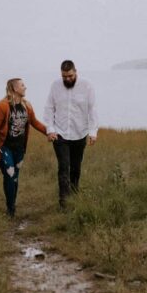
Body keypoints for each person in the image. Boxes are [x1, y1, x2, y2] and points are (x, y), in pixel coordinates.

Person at [0, 78, 48, 218]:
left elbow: (35, 122)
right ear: (15, 89)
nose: (25, 87)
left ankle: (12, 205)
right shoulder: (3, 106)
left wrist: (49, 132)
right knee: (9, 173)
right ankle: (10, 210)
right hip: (4, 147)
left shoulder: (27, 106)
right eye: (22, 85)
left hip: (19, 148)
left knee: (14, 177)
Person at [44, 60, 99, 208]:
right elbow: (49, 108)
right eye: (64, 76)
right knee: (63, 167)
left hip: (80, 133)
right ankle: (64, 203)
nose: (67, 79)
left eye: (70, 76)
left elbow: (92, 109)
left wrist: (93, 132)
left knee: (75, 168)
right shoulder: (55, 86)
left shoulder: (87, 85)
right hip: (59, 134)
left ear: (75, 72)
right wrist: (50, 129)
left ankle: (74, 196)